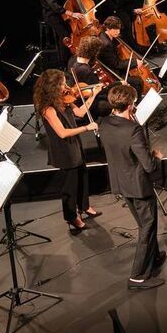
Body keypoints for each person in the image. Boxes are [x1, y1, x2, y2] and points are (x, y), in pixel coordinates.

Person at [99, 84, 166, 290]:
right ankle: (138, 276)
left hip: (121, 182)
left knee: (144, 223)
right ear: (130, 105)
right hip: (138, 186)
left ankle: (152, 257)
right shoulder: (133, 130)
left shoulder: (104, 123)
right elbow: (148, 165)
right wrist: (156, 156)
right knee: (147, 227)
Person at [35, 69, 103, 233]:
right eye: (62, 84)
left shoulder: (64, 99)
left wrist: (93, 95)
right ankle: (72, 217)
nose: (67, 86)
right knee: (70, 186)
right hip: (64, 149)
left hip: (74, 144)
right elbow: (62, 133)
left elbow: (80, 112)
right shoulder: (48, 109)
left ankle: (84, 206)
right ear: (53, 87)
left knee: (83, 175)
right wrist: (87, 127)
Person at [95, 17, 145, 95]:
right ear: (108, 29)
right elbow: (116, 64)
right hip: (112, 74)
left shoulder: (105, 35)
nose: (118, 32)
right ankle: (134, 103)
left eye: (118, 29)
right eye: (115, 29)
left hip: (113, 66)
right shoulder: (106, 44)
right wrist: (134, 62)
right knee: (138, 82)